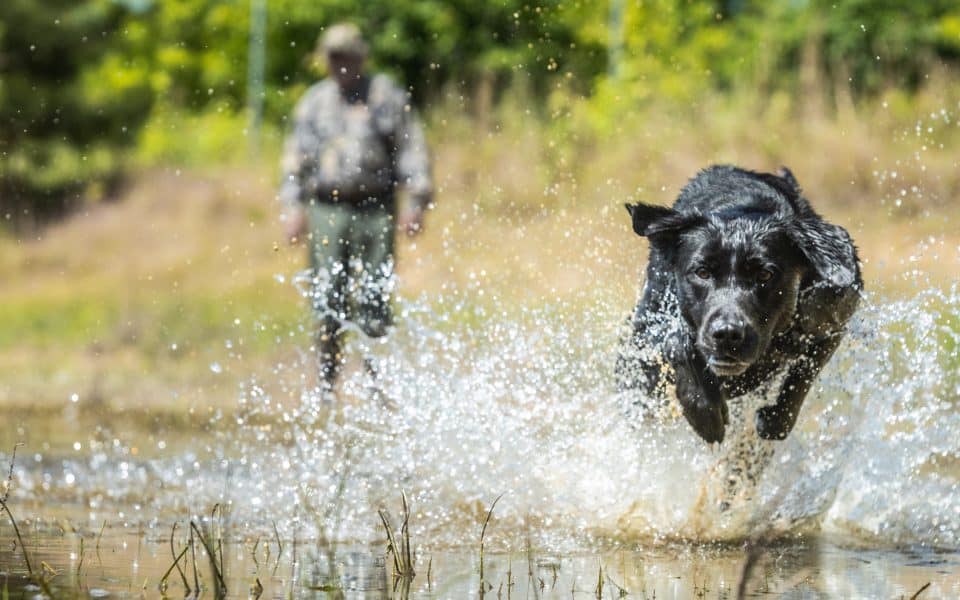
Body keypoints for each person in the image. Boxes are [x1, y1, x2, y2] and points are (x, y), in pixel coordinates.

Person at [279, 23, 433, 392]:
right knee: (329, 297)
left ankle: (376, 388)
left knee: (375, 298)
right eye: (333, 57)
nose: (339, 64)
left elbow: (412, 148)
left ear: (360, 57)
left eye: (346, 55)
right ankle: (328, 387)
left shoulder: (385, 96)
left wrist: (416, 201)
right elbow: (294, 159)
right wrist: (292, 209)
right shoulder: (314, 101)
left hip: (376, 209)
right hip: (327, 211)